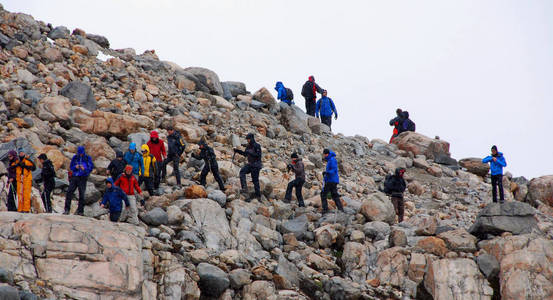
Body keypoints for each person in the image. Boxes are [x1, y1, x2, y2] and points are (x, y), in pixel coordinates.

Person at [65, 146, 94, 215]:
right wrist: (75, 167)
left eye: (81, 153)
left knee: (81, 194)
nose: (80, 154)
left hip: (83, 178)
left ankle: (80, 211)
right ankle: (67, 209)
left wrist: (84, 169)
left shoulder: (87, 158)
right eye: (79, 153)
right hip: (75, 176)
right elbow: (71, 166)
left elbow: (90, 168)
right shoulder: (75, 157)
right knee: (69, 192)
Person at [234, 133, 262, 200]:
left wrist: (250, 152)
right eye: (247, 139)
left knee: (255, 181)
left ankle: (258, 196)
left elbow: (258, 155)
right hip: (250, 164)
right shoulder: (248, 146)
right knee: (242, 172)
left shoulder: (257, 146)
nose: (248, 140)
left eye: (248, 139)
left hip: (256, 165)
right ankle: (244, 188)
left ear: (252, 138)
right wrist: (237, 151)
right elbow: (245, 154)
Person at [320, 149, 343, 214]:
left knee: (323, 194)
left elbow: (334, 169)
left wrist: (327, 173)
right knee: (334, 195)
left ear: (326, 154)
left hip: (331, 180)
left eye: (324, 154)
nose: (324, 155)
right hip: (333, 180)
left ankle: (325, 209)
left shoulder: (332, 160)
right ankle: (341, 209)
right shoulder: (330, 159)